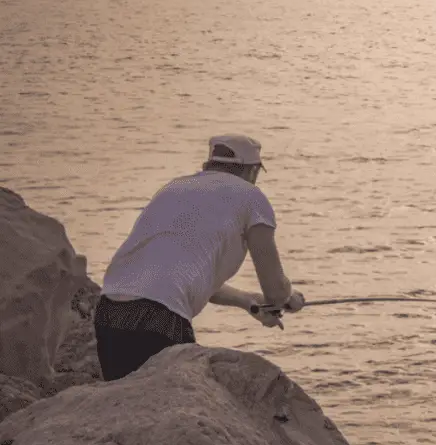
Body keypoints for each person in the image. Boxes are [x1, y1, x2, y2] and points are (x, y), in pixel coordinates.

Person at [93, 133, 304, 381]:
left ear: (208, 165)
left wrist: (248, 301)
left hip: (109, 311)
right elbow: (276, 290)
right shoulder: (251, 197)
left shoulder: (174, 188)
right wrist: (289, 299)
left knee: (126, 404)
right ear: (251, 171)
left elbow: (181, 278)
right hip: (161, 317)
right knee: (174, 408)